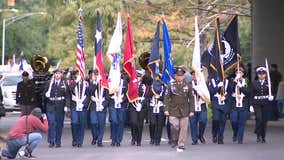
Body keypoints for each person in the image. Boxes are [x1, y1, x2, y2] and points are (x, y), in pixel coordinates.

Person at [164, 67, 194, 152]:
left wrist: (192, 110)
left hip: (185, 110)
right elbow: (166, 97)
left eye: (181, 75)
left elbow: (191, 99)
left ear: (183, 76)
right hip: (173, 109)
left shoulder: (188, 86)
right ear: (175, 76)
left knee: (184, 127)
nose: (180, 77)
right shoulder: (171, 85)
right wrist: (166, 109)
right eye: (178, 75)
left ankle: (181, 144)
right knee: (175, 126)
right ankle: (174, 139)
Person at [44, 69, 68, 148]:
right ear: (54, 75)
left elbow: (67, 96)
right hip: (51, 105)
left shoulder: (64, 83)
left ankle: (58, 141)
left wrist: (66, 105)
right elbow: (44, 96)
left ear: (61, 75)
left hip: (60, 106)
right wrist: (46, 95)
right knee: (52, 123)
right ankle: (51, 140)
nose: (57, 75)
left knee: (59, 124)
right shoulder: (49, 83)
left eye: (59, 73)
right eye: (56, 73)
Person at [251, 65, 274, 143]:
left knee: (264, 121)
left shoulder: (269, 83)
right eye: (260, 74)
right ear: (257, 74)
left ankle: (263, 136)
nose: (261, 75)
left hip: (265, 103)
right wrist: (251, 104)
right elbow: (252, 94)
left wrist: (271, 96)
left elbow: (272, 92)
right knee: (259, 118)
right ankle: (258, 135)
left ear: (265, 74)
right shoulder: (254, 83)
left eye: (263, 74)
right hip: (257, 103)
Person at [66, 72, 89, 147]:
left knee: (82, 124)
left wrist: (84, 103)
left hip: (83, 106)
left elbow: (89, 94)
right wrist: (76, 82)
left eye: (80, 74)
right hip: (74, 105)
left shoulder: (86, 83)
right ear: (75, 75)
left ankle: (80, 141)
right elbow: (69, 89)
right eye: (77, 74)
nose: (79, 76)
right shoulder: (72, 82)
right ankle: (75, 139)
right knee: (74, 122)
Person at [229, 67, 250, 144]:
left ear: (243, 74)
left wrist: (241, 86)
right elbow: (230, 90)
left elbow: (248, 92)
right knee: (234, 120)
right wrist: (235, 82)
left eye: (240, 72)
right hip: (234, 103)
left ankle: (240, 138)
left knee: (242, 122)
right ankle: (235, 132)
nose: (239, 74)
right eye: (237, 72)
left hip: (243, 103)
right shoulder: (232, 81)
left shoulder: (246, 81)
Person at [208, 74, 230, 144]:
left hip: (224, 103)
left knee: (223, 121)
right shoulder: (212, 81)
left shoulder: (227, 82)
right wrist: (218, 86)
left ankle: (220, 137)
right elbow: (211, 92)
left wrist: (225, 97)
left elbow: (230, 92)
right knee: (216, 119)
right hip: (215, 103)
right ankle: (214, 134)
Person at [88, 72, 109, 147]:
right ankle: (95, 137)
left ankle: (99, 140)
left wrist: (103, 105)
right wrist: (95, 83)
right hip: (94, 106)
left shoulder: (105, 85)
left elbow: (107, 98)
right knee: (93, 122)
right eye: (96, 75)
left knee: (101, 124)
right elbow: (90, 91)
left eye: (98, 75)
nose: (97, 76)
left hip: (102, 106)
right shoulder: (91, 84)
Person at [109, 73, 128, 147]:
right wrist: (113, 97)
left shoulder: (124, 82)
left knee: (120, 122)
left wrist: (122, 99)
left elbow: (127, 94)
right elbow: (107, 93)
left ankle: (118, 140)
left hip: (121, 105)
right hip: (113, 104)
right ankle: (113, 139)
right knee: (114, 121)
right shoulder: (110, 82)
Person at [189, 71, 207, 145]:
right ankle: (194, 139)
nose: (195, 76)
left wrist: (200, 90)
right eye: (193, 75)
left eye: (196, 75)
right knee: (193, 123)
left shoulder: (203, 84)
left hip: (201, 105)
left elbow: (207, 94)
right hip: (193, 106)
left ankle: (201, 135)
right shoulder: (189, 85)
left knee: (203, 120)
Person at [129, 70, 147, 146]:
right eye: (136, 76)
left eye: (139, 77)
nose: (138, 78)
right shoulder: (131, 85)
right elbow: (129, 95)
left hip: (141, 106)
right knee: (133, 123)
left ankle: (139, 140)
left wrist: (141, 104)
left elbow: (147, 97)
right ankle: (134, 137)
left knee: (140, 124)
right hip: (133, 105)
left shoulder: (145, 86)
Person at [149, 77, 166, 146]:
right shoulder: (151, 87)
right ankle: (152, 138)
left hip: (160, 107)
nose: (157, 80)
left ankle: (157, 140)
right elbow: (148, 96)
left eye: (159, 79)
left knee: (160, 124)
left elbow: (166, 97)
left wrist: (159, 98)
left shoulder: (164, 88)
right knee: (152, 123)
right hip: (152, 106)